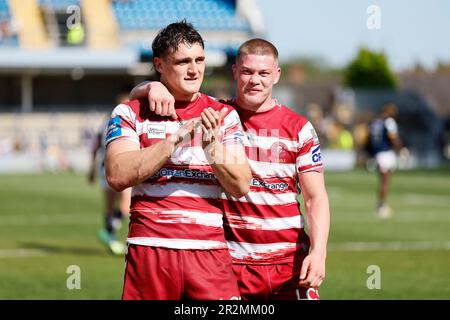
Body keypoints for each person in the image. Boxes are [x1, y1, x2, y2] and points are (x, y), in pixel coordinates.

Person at [130, 38, 330, 300]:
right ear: (235, 71)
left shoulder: (298, 128)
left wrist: (319, 252)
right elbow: (140, 97)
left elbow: (315, 198)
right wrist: (152, 86)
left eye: (264, 73)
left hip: (289, 265)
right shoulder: (217, 114)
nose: (255, 80)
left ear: (277, 75)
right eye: (247, 71)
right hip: (231, 267)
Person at [104, 21, 251, 300]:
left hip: (209, 254)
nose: (194, 69)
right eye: (183, 61)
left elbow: (241, 184)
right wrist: (172, 141)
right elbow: (116, 175)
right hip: (150, 252)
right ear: (159, 65)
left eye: (200, 60)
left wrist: (212, 147)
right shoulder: (130, 112)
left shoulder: (223, 115)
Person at [88, 94, 131, 255]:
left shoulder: (130, 121)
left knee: (123, 205)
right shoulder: (109, 122)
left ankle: (110, 232)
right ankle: (111, 235)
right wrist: (91, 169)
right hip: (107, 167)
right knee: (112, 205)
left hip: (121, 166)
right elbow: (96, 147)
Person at [367, 103, 406, 218]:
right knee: (385, 180)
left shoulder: (375, 122)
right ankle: (382, 205)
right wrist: (402, 148)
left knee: (383, 180)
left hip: (378, 153)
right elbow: (392, 137)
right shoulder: (389, 122)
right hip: (386, 153)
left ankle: (382, 204)